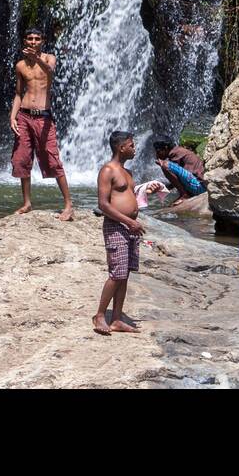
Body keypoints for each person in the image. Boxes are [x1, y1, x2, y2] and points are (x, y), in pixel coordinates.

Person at [10, 27, 74, 220]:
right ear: (25, 41)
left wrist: (36, 58)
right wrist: (12, 117)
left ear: (42, 41)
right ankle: (27, 203)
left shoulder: (49, 58)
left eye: (37, 39)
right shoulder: (20, 65)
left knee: (53, 159)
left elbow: (50, 71)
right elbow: (18, 94)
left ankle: (68, 205)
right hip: (24, 115)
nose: (33, 42)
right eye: (30, 38)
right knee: (21, 159)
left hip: (44, 117)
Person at [93, 129, 146, 337]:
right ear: (120, 147)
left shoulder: (128, 172)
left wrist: (145, 192)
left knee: (125, 274)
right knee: (116, 273)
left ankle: (116, 319)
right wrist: (127, 221)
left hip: (130, 227)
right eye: (131, 145)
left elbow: (127, 197)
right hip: (117, 226)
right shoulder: (108, 171)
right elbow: (103, 205)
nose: (134, 148)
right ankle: (99, 315)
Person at [153, 135, 207, 203]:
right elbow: (177, 178)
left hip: (200, 187)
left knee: (164, 165)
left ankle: (184, 195)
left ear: (166, 148)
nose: (157, 155)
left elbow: (174, 176)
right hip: (200, 186)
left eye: (158, 152)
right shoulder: (178, 151)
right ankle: (185, 194)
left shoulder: (175, 153)